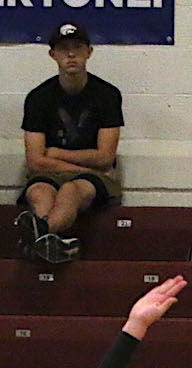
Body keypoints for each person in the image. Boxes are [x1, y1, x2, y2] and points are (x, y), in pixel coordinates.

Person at [15, 22, 122, 265]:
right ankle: (51, 244)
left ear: (89, 52)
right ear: (53, 55)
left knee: (70, 191)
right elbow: (34, 162)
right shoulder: (38, 97)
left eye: (77, 47)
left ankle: (37, 235)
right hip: (58, 173)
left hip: (94, 179)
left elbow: (105, 157)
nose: (71, 54)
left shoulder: (107, 95)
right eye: (64, 49)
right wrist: (84, 165)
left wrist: (56, 153)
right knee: (40, 192)